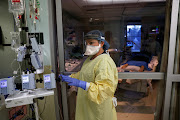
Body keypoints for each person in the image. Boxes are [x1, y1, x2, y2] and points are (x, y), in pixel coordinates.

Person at [60, 30, 118, 120]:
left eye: (91, 43)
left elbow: (105, 89)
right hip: (88, 105)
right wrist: (70, 77)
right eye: (87, 43)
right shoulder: (90, 59)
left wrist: (82, 84)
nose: (88, 46)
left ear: (101, 43)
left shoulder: (104, 61)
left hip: (98, 108)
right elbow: (85, 73)